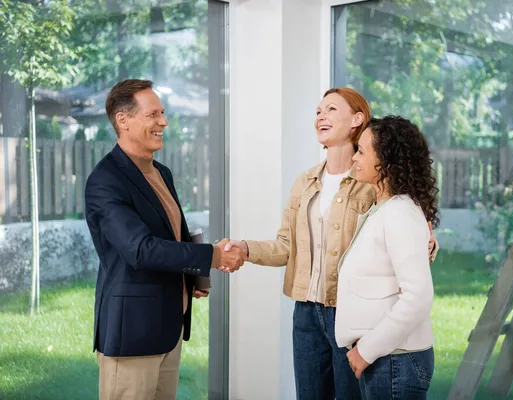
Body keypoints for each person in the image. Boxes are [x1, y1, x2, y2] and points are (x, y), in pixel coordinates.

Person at [222, 88, 439, 399]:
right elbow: (286, 245)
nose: (320, 116)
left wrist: (429, 244)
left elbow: (412, 230)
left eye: (331, 109)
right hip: (307, 313)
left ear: (357, 119)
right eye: (318, 111)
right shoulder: (306, 182)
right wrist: (245, 248)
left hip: (348, 313)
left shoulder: (373, 182)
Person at [84, 79, 245, 400]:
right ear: (123, 120)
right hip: (133, 335)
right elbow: (140, 250)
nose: (164, 122)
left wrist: (195, 276)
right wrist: (211, 256)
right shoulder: (106, 181)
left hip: (167, 327)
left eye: (163, 113)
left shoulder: (161, 172)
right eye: (153, 114)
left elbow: (172, 233)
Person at [335, 115, 439, 399]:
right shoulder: (384, 209)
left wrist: (366, 352)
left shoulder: (399, 213)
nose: (354, 157)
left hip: (395, 361)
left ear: (386, 163)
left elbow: (418, 296)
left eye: (362, 151)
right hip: (388, 359)